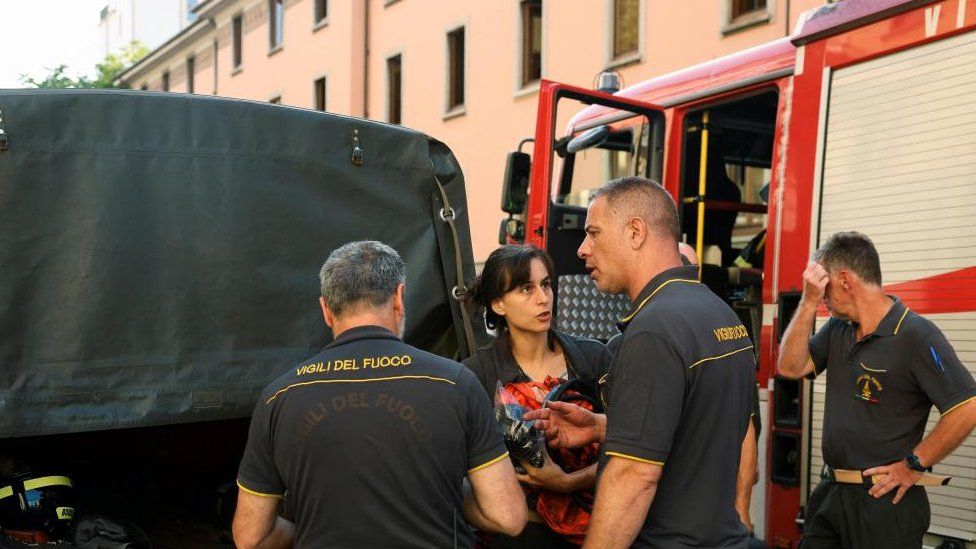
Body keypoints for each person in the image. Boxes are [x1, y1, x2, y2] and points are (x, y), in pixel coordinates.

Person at [233, 240, 527, 548]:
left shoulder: (279, 396)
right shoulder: (456, 383)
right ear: (399, 297)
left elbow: (252, 538)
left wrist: (306, 521)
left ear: (325, 309)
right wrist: (445, 489)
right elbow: (507, 516)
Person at [529, 177, 756, 548]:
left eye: (594, 233)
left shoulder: (653, 330)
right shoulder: (721, 314)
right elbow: (703, 428)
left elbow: (633, 475)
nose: (583, 249)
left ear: (635, 232)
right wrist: (605, 427)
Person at [777, 231, 976, 549]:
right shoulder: (838, 328)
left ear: (844, 279)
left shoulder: (915, 335)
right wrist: (808, 301)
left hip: (882, 504)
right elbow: (789, 367)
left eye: (823, 287)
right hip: (831, 493)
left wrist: (914, 464)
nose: (823, 296)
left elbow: (967, 407)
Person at [463, 245, 612, 548]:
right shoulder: (476, 374)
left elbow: (633, 447)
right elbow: (463, 472)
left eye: (545, 284)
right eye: (525, 289)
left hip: (600, 529)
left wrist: (572, 481)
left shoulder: (594, 357)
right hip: (520, 536)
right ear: (498, 304)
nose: (544, 298)